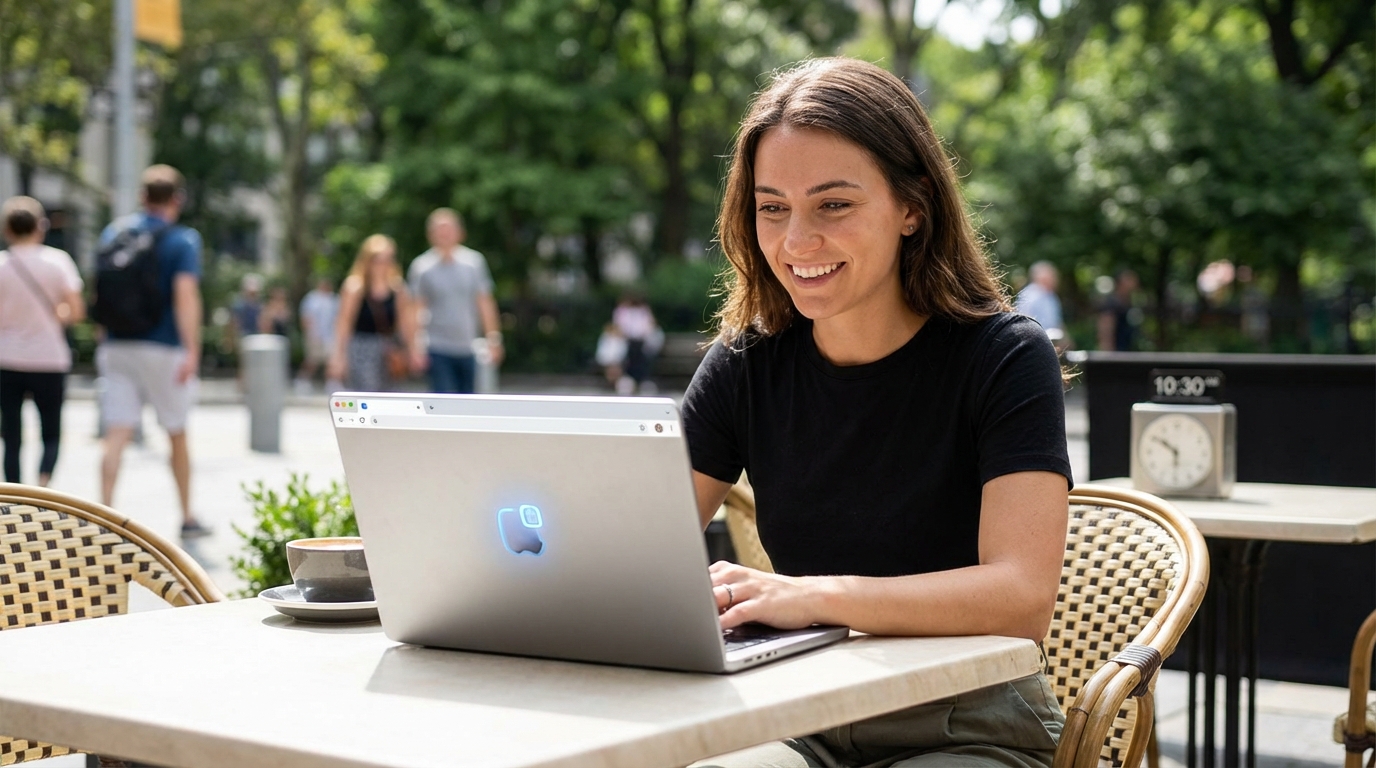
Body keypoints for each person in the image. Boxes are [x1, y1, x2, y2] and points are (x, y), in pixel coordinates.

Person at [682, 58, 1070, 767]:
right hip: (800, 713)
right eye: (773, 207)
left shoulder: (1005, 358)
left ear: (912, 207)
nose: (796, 240)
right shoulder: (746, 362)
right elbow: (635, 545)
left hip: (967, 726)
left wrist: (812, 597)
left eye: (833, 204)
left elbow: (1021, 597)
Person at [96, 165, 208, 538]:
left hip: (117, 344)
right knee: (176, 432)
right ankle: (188, 515)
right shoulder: (183, 240)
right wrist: (192, 348)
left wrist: (103, 337)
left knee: (116, 433)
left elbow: (102, 290)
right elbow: (185, 296)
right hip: (163, 347)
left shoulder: (115, 232)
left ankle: (105, 516)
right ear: (177, 199)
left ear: (143, 197)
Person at [0, 196, 85, 487]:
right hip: (49, 358)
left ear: (7, 229)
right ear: (40, 226)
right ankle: (42, 487)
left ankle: (14, 494)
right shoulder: (58, 262)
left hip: (7, 358)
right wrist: (55, 316)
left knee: (11, 434)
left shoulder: (1, 265)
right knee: (51, 431)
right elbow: (76, 311)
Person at [407, 208, 503, 394]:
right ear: (430, 234)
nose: (444, 234)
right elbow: (416, 309)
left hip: (468, 345)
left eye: (448, 228)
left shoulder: (474, 263)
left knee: (468, 404)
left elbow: (484, 303)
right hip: (437, 346)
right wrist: (415, 348)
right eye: (439, 229)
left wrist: (494, 338)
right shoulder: (422, 267)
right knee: (443, 402)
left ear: (460, 232)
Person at [327, 235, 421, 392]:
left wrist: (413, 351)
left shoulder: (398, 289)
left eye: (387, 259)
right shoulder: (354, 288)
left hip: (389, 351)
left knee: (391, 398)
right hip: (361, 350)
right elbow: (343, 323)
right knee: (366, 398)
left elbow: (405, 324)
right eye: (377, 260)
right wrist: (338, 357)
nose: (382, 265)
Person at [610, 292, 662, 394]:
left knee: (641, 361)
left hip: (641, 343)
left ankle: (641, 380)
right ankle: (629, 381)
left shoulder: (643, 311)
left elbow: (649, 325)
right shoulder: (622, 311)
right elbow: (618, 327)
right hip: (626, 343)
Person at [296, 277, 339, 392]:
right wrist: (309, 333)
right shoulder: (311, 298)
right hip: (314, 335)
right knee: (312, 361)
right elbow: (305, 317)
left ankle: (331, 383)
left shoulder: (333, 299)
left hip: (330, 336)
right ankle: (302, 381)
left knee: (331, 361)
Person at [1016, 261, 1069, 350]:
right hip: (1037, 342)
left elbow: (1057, 322)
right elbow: (1023, 320)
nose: (1055, 280)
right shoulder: (1029, 295)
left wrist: (1066, 340)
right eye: (1052, 276)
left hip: (1053, 342)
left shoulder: (1051, 296)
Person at [1097, 269, 1140, 351]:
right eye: (1129, 279)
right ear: (1120, 282)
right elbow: (1105, 332)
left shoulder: (1129, 303)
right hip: (1116, 355)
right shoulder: (1111, 303)